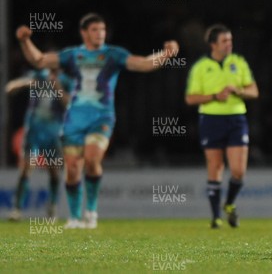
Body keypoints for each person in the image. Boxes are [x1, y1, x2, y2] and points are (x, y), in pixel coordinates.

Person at [16, 13, 179, 229]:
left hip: (101, 117)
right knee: (73, 168)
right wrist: (25, 41)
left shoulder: (113, 55)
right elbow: (39, 60)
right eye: (94, 30)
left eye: (102, 30)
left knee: (92, 159)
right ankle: (75, 218)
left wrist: (165, 55)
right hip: (74, 118)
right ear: (84, 33)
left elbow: (142, 64)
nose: (100, 34)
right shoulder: (72, 55)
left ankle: (91, 212)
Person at [185, 24, 259, 229]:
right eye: (225, 41)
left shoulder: (239, 62)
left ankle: (229, 204)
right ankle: (215, 217)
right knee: (215, 167)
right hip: (210, 119)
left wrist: (238, 91)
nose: (229, 44)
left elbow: (254, 91)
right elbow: (191, 98)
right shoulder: (201, 67)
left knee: (238, 171)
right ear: (213, 44)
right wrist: (214, 96)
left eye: (231, 40)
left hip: (236, 118)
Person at [6, 68, 72, 221]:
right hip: (35, 130)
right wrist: (23, 84)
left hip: (53, 133)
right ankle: (17, 209)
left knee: (54, 172)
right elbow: (14, 85)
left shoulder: (66, 81)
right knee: (26, 168)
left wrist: (58, 87)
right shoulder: (39, 76)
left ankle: (52, 206)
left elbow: (69, 104)